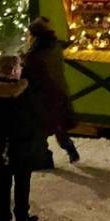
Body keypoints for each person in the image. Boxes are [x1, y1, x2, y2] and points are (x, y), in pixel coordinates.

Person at [0, 54, 43, 221]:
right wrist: (33, 141)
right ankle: (22, 217)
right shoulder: (24, 92)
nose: (21, 70)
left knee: (3, 185)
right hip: (22, 147)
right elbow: (33, 119)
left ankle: (3, 218)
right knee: (22, 185)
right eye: (19, 67)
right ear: (13, 70)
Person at [22, 17, 79, 165]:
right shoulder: (54, 45)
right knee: (58, 124)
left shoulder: (34, 54)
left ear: (34, 35)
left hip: (44, 94)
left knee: (42, 127)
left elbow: (30, 74)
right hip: (59, 90)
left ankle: (43, 158)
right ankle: (70, 149)